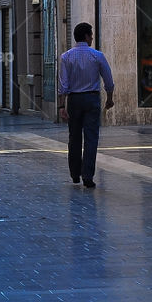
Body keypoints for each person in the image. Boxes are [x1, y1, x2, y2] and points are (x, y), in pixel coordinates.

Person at [58, 23, 114, 188]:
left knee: (74, 137)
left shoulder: (66, 57)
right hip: (91, 99)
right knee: (91, 138)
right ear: (86, 36)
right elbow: (109, 81)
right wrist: (109, 98)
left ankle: (75, 174)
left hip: (74, 100)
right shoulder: (97, 55)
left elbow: (63, 85)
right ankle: (87, 175)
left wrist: (62, 106)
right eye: (91, 35)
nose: (92, 38)